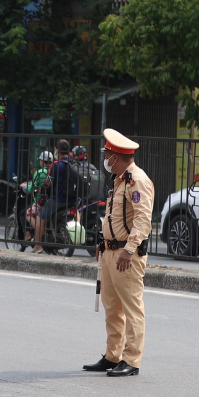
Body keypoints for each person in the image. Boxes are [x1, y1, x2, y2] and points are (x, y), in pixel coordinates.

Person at [83, 128, 154, 377]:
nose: (105, 159)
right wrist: (103, 241)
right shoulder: (120, 179)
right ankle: (113, 356)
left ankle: (132, 359)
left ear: (117, 156)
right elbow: (114, 216)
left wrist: (129, 249)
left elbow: (143, 220)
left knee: (131, 306)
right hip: (111, 251)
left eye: (108, 154)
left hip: (127, 255)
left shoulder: (138, 180)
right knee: (111, 306)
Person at [33, 139, 74, 253]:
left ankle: (37, 245)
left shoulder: (57, 165)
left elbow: (48, 182)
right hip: (73, 201)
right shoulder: (74, 163)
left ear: (57, 150)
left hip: (58, 200)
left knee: (40, 217)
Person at [20, 151, 53, 239]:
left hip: (40, 202)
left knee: (24, 213)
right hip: (52, 200)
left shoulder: (39, 172)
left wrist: (25, 187)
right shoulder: (53, 171)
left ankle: (30, 234)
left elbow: (32, 188)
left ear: (42, 161)